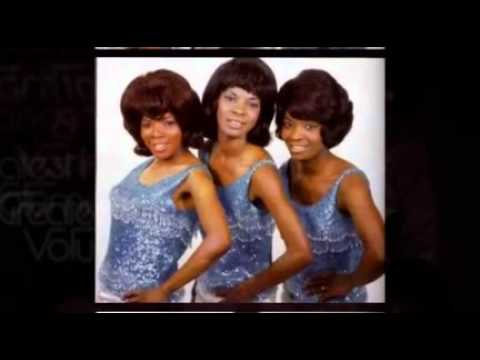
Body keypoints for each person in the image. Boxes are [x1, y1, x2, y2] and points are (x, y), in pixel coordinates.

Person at [97, 69, 230, 303]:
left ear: (185, 124)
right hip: (107, 292)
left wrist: (165, 289)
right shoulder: (148, 164)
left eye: (168, 123)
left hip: (149, 300)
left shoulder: (194, 177)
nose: (156, 133)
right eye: (147, 124)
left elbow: (219, 240)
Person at [193, 58, 312, 303]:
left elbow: (300, 251)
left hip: (249, 301)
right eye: (231, 97)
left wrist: (245, 293)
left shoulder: (261, 173)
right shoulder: (205, 151)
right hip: (203, 290)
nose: (239, 110)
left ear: (262, 113)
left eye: (252, 103)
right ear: (215, 100)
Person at [276, 69, 384, 302]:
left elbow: (380, 253)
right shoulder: (282, 173)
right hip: (291, 296)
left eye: (310, 126)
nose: (295, 135)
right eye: (289, 123)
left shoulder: (350, 184)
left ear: (329, 128)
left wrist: (349, 282)